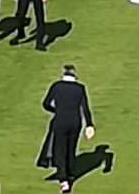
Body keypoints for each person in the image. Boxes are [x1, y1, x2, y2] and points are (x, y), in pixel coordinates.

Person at [37, 64, 94, 192]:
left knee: (60, 150)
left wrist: (56, 110)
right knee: (71, 148)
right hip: (75, 122)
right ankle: (70, 173)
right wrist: (89, 124)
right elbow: (85, 108)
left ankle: (64, 180)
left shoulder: (57, 86)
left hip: (60, 121)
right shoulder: (80, 88)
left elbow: (46, 103)